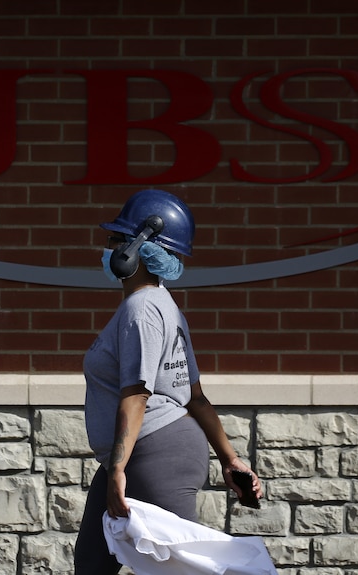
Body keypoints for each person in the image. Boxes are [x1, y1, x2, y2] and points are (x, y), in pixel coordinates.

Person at [74, 189, 264, 574]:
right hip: (141, 452)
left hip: (153, 454)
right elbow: (194, 396)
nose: (106, 249)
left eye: (114, 241)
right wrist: (230, 459)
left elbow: (137, 393)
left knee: (181, 568)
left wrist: (116, 471)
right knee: (92, 564)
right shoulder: (163, 304)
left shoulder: (142, 309)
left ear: (138, 248)